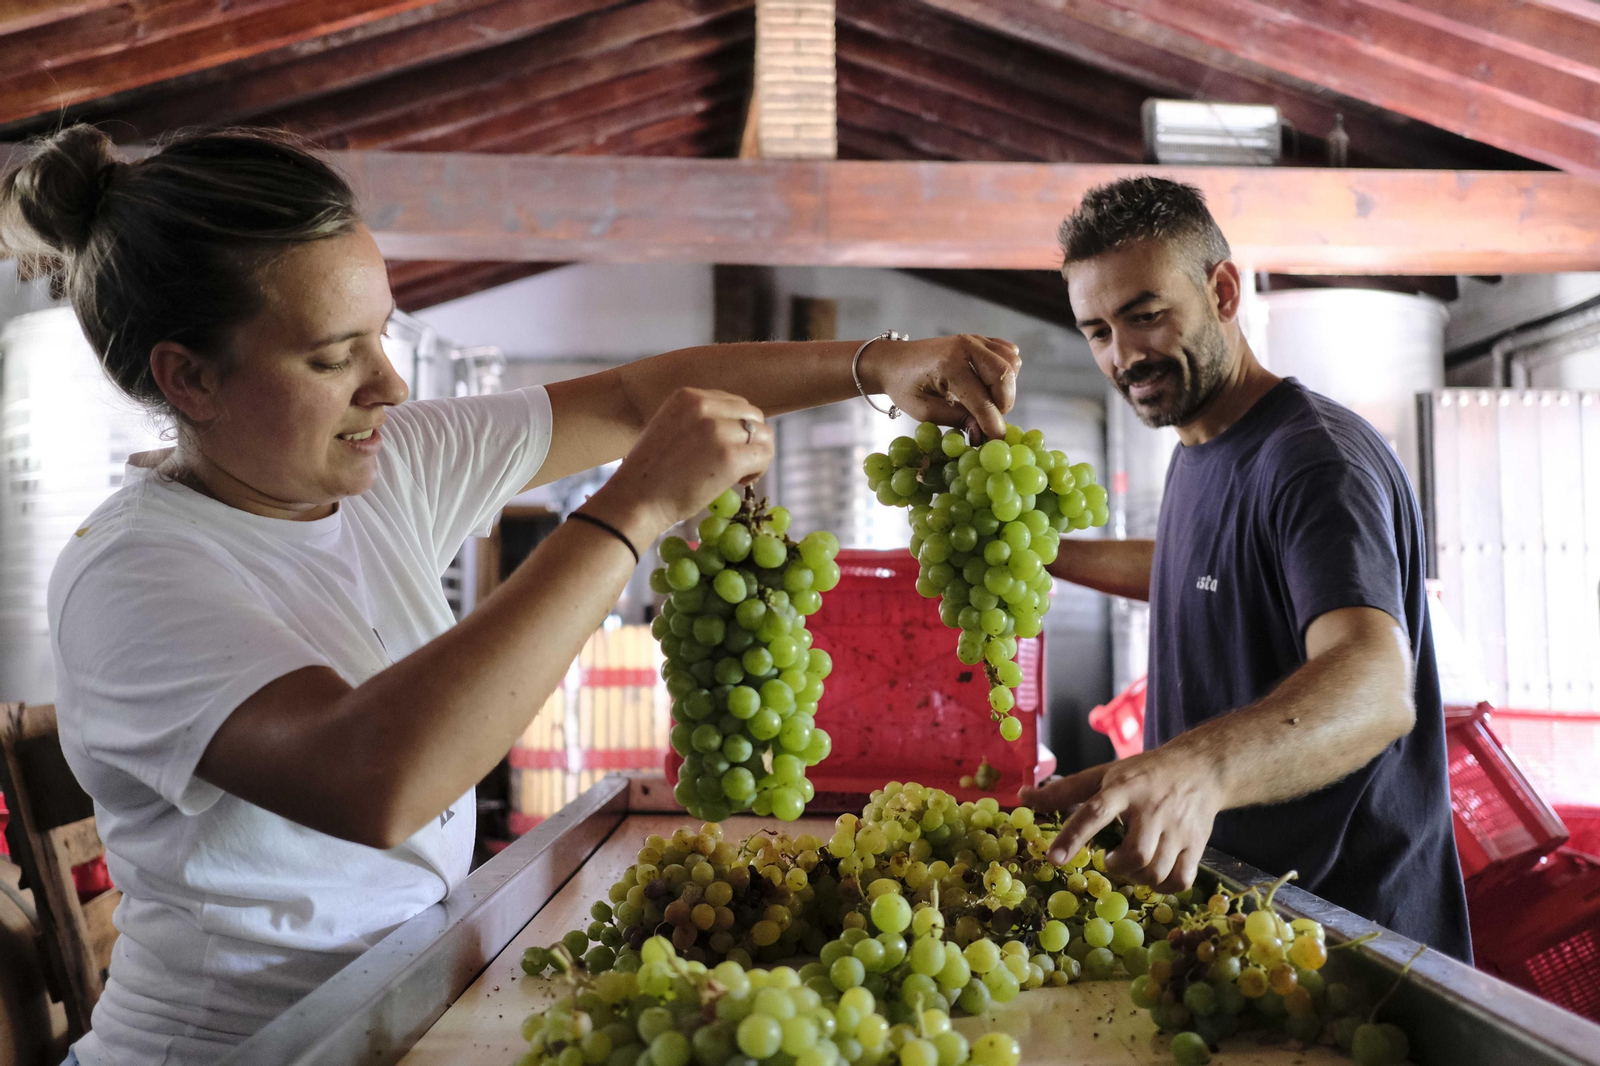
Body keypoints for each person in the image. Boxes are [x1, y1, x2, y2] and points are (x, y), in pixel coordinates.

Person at [0, 124, 1022, 1066]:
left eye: (380, 334)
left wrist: (878, 365)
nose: (389, 384)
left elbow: (633, 398)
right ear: (188, 379)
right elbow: (376, 779)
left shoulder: (387, 465)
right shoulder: (133, 576)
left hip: (400, 1006)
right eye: (333, 356)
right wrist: (630, 511)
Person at [1023, 176, 1471, 962]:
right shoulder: (1201, 444)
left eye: (1146, 316)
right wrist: (1047, 553)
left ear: (1223, 292)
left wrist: (1196, 768)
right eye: (1098, 331)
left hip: (1355, 949)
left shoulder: (1314, 462)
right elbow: (1213, 568)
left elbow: (1376, 685)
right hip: (1250, 930)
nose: (1124, 356)